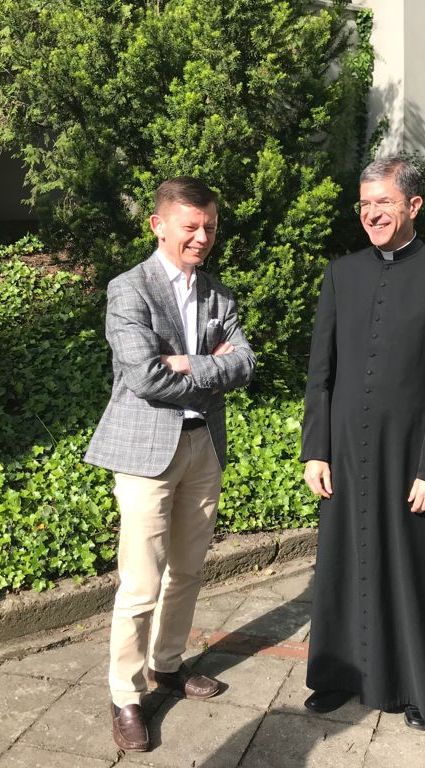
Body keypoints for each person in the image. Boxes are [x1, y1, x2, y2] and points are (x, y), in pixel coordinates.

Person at [301, 157, 425, 730]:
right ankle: (341, 675)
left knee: (417, 570)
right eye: (364, 204)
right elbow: (321, 372)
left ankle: (424, 688)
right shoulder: (341, 274)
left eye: (383, 202)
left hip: (412, 457)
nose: (372, 213)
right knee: (345, 564)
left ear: (413, 206)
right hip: (347, 457)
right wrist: (316, 449)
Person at [85, 176, 255, 751]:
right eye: (191, 226)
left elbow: (246, 362)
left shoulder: (218, 294)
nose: (202, 237)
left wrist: (186, 362)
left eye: (210, 226)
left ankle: (167, 663)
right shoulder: (129, 290)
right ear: (159, 225)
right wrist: (208, 366)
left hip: (202, 445)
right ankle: (126, 695)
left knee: (187, 569)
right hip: (146, 453)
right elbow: (145, 377)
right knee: (141, 582)